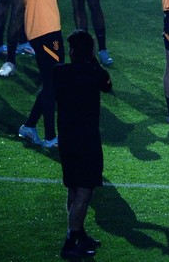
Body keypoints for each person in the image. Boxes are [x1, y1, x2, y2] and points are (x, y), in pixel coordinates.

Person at [53, 30, 113, 259]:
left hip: (66, 140)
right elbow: (108, 86)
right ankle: (70, 241)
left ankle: (79, 234)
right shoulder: (94, 74)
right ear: (91, 52)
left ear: (71, 52)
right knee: (85, 191)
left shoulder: (59, 72)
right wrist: (94, 62)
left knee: (74, 188)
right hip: (87, 141)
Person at [15, 0, 72, 147]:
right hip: (41, 33)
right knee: (51, 86)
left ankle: (29, 127)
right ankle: (49, 136)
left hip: (53, 30)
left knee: (53, 84)